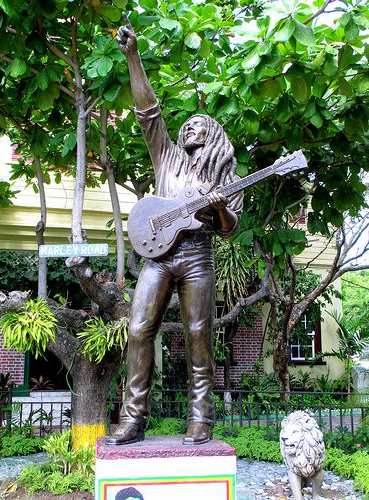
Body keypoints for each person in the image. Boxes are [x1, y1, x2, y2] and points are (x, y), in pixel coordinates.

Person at [107, 14, 243, 446]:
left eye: (198, 125)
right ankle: (133, 419)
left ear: (215, 136)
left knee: (199, 334)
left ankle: (201, 417)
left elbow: (229, 228)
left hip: (198, 258)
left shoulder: (223, 176)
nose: (189, 127)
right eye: (187, 125)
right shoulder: (166, 157)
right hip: (158, 258)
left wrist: (219, 209)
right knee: (138, 328)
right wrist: (134, 58)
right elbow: (148, 112)